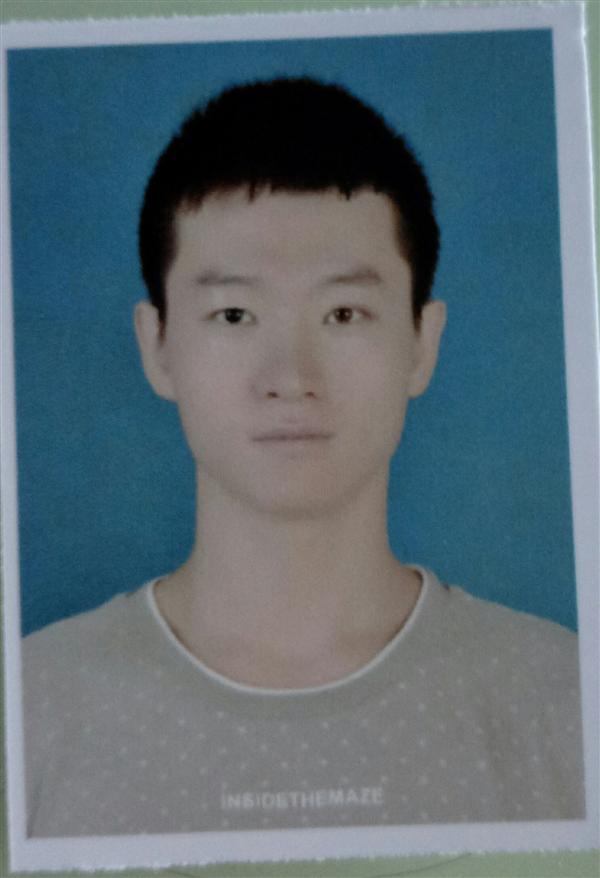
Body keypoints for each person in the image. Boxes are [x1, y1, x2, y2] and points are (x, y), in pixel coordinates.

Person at [22, 78, 584, 837]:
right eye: (234, 314)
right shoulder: (32, 710)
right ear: (157, 346)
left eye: (344, 313)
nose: (290, 377)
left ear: (423, 343)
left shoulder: (566, 703)